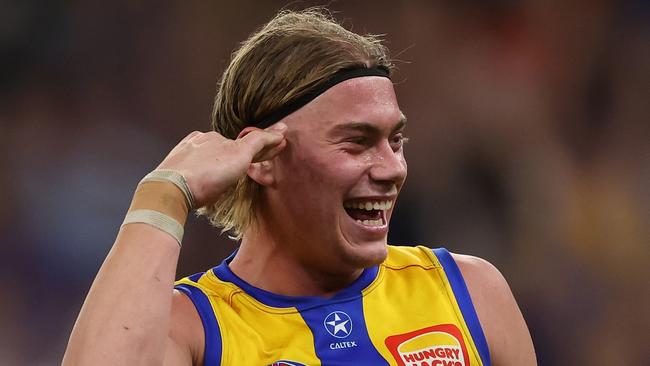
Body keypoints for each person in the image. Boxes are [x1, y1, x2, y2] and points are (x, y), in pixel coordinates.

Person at [62, 8, 536, 366]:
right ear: (264, 159)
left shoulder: (469, 293)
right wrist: (164, 195)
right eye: (357, 142)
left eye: (396, 139)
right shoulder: (195, 329)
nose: (393, 168)